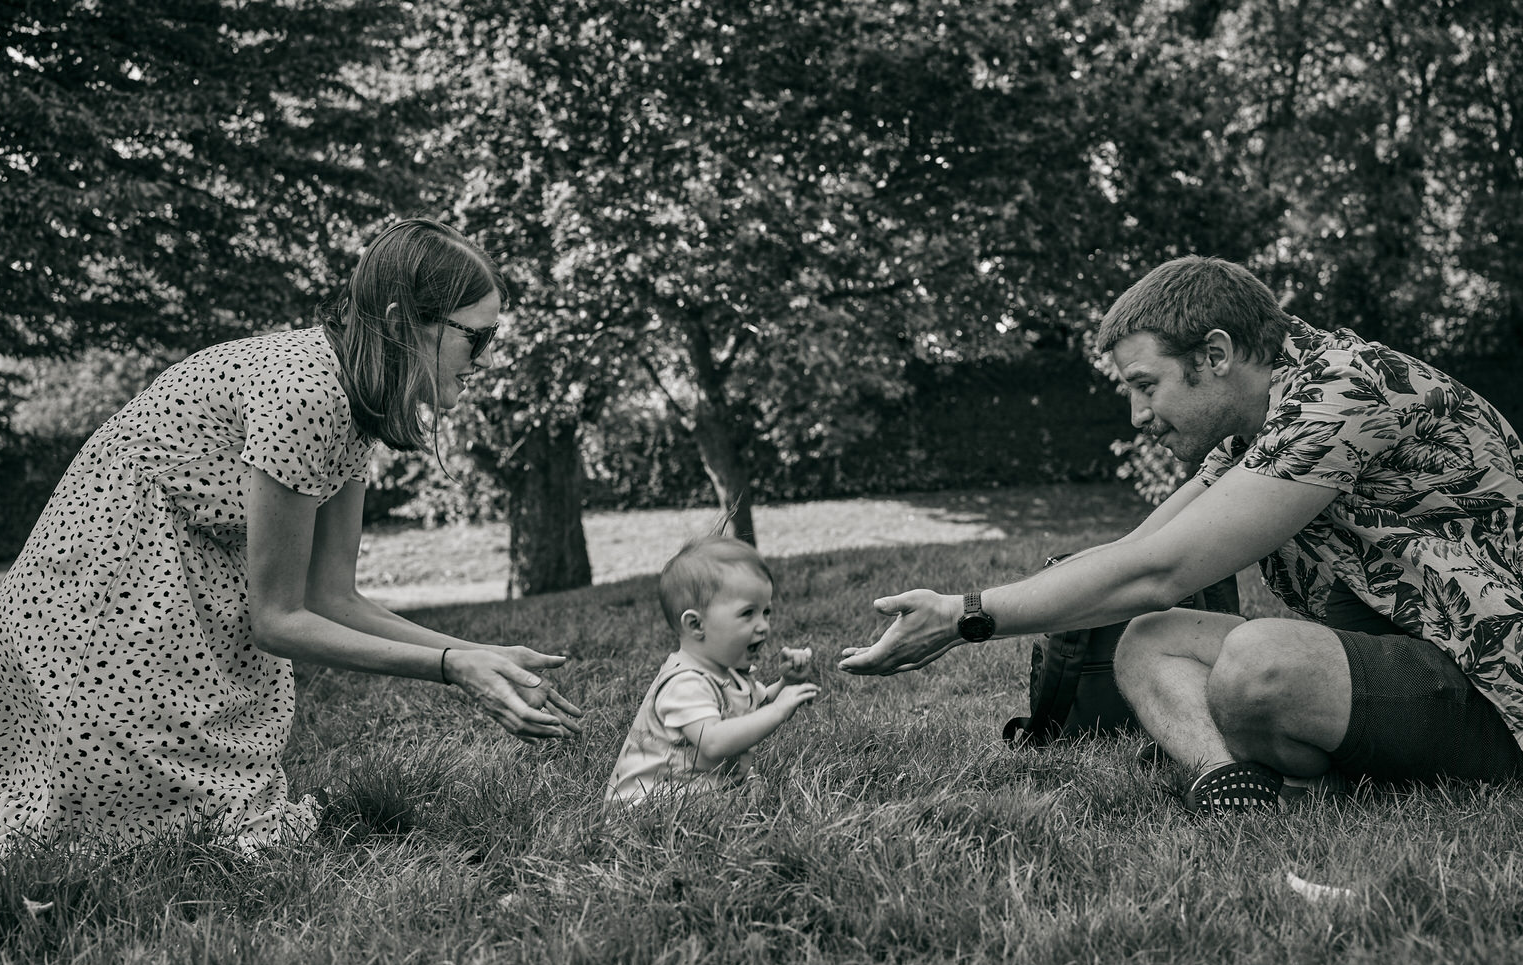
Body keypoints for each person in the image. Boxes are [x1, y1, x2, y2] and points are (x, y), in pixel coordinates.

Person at [0, 218, 583, 857]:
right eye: (478, 337)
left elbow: (331, 597)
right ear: (398, 320)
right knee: (113, 842)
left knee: (201, 830)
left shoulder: (354, 402)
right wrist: (452, 668)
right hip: (89, 618)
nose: (486, 360)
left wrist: (478, 652)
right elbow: (279, 620)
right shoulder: (304, 394)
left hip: (158, 614)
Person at [839, 255, 1523, 812]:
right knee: (1148, 638)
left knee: (1260, 661)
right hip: (1389, 668)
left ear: (1216, 353)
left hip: (1485, 677)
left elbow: (1161, 571)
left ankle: (1314, 774)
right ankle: (1232, 785)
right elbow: (1134, 554)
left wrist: (964, 619)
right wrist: (965, 604)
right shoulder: (1256, 430)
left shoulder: (1343, 394)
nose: (1138, 415)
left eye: (1146, 384)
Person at [606, 537, 818, 807]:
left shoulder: (729, 672)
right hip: (648, 803)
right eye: (747, 613)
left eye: (766, 612)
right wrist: (778, 712)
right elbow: (715, 742)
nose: (764, 625)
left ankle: (732, 796)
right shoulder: (685, 683)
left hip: (696, 787)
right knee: (736, 797)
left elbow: (757, 705)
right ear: (696, 624)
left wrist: (787, 684)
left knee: (749, 787)